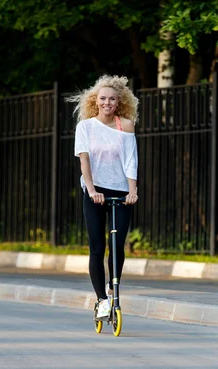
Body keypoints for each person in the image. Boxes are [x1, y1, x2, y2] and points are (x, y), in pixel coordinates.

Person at [68, 75, 139, 319]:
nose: (107, 102)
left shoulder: (126, 125)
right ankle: (101, 300)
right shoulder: (85, 127)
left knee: (117, 245)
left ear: (119, 102)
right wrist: (91, 189)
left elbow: (130, 160)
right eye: (102, 99)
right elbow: (84, 161)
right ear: (95, 101)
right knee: (97, 246)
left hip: (120, 191)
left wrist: (132, 190)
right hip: (94, 190)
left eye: (112, 99)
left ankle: (113, 289)